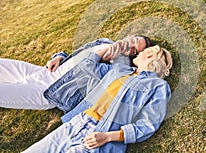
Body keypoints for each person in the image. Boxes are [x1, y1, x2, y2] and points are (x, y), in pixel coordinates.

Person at [22, 44, 173, 153]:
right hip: (76, 123)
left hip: (99, 137)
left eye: (142, 52)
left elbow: (148, 124)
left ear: (150, 55)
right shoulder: (119, 70)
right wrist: (108, 49)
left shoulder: (158, 86)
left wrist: (107, 137)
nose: (137, 54)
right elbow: (87, 66)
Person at [0, 35, 151, 110]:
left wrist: (108, 53)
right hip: (44, 71)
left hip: (50, 91)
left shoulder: (119, 64)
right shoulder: (104, 41)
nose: (131, 45)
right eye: (134, 40)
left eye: (134, 50)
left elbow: (87, 69)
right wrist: (59, 56)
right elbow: (76, 54)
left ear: (134, 55)